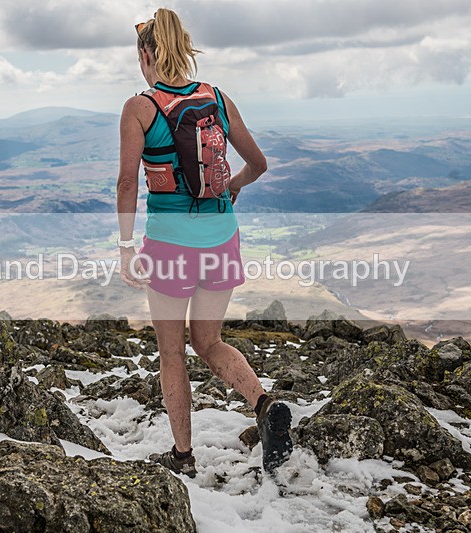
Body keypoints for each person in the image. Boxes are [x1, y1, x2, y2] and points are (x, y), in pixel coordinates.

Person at [116, 7, 293, 478]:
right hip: (222, 238)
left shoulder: (139, 108)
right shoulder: (215, 98)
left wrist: (126, 246)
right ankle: (264, 404)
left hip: (171, 247)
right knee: (209, 340)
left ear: (147, 52)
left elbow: (127, 185)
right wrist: (233, 185)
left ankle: (183, 457)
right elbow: (259, 165)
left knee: (173, 350)